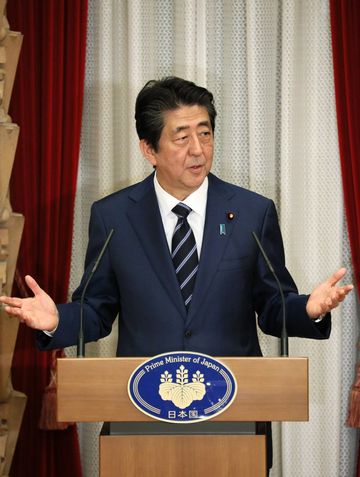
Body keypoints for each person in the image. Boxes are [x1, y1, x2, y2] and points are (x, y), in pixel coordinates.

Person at [0, 76, 353, 470]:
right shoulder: (114, 216)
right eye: (181, 137)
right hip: (141, 421)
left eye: (205, 133)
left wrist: (309, 308)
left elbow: (273, 306)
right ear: (149, 149)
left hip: (233, 420)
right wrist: (56, 320)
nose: (198, 149)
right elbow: (96, 310)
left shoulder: (253, 213)